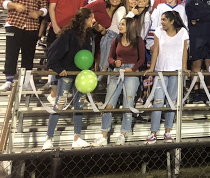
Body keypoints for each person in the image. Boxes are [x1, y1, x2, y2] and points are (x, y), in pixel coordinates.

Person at [42, 8, 94, 150]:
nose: (93, 21)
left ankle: (77, 137)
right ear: (84, 20)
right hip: (67, 75)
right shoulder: (69, 34)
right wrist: (59, 69)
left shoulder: (88, 35)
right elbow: (54, 52)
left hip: (81, 76)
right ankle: (49, 138)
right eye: (91, 18)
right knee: (59, 104)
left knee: (79, 105)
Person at [93, 17, 145, 146]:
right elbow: (110, 56)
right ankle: (104, 135)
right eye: (120, 24)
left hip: (131, 72)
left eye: (122, 24)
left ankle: (123, 134)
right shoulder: (116, 40)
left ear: (129, 26)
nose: (120, 26)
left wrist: (132, 69)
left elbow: (141, 59)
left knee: (128, 103)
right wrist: (114, 62)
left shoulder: (138, 40)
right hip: (117, 71)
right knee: (109, 103)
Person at [0, 0, 48, 91]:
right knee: (11, 53)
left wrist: (39, 12)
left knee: (28, 55)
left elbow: (44, 8)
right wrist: (15, 5)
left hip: (31, 27)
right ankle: (8, 80)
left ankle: (26, 82)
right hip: (15, 24)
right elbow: (3, 1)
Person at [143, 11, 189, 143]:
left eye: (164, 20)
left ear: (172, 21)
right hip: (160, 71)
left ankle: (167, 131)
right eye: (161, 19)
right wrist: (152, 68)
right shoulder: (158, 31)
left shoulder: (183, 33)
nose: (161, 22)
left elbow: (184, 51)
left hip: (175, 71)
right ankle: (153, 132)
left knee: (171, 102)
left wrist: (184, 67)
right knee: (158, 102)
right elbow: (156, 49)